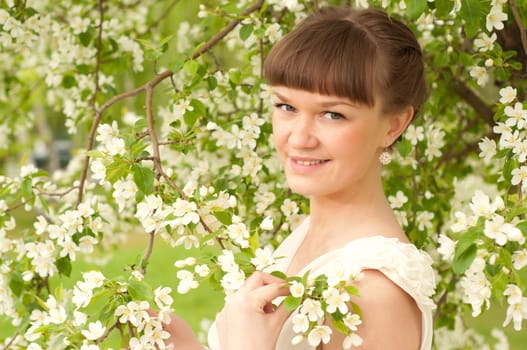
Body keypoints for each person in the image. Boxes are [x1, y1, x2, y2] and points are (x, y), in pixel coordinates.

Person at [163, 6, 436, 350]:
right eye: (286, 107)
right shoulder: (307, 232)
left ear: (394, 124)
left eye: (333, 114)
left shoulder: (376, 295)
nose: (299, 138)